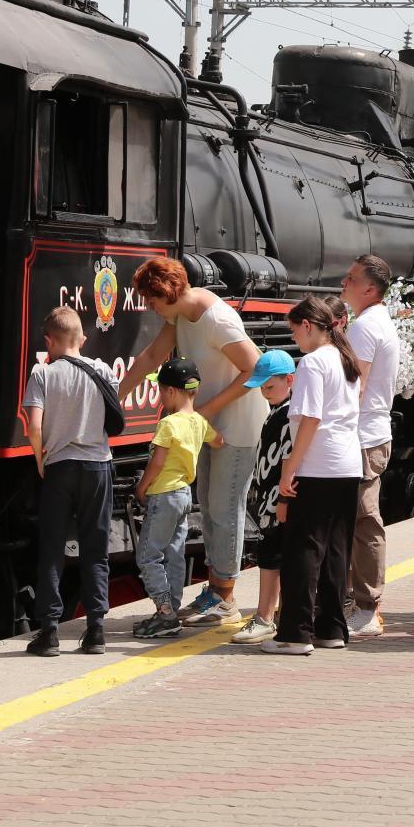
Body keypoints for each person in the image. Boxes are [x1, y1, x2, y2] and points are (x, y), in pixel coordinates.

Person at [123, 258, 265, 627]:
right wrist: (114, 397)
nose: (150, 308)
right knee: (210, 505)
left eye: (152, 300)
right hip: (207, 423)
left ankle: (226, 596)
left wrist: (203, 411)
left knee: (224, 508)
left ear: (167, 293)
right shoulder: (181, 316)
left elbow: (255, 367)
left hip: (236, 425)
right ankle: (217, 589)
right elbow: (152, 356)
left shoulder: (216, 319)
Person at [264, 296, 364, 655]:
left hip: (318, 464)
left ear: (307, 325)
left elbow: (310, 419)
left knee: (303, 548)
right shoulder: (345, 359)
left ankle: (294, 633)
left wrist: (290, 466)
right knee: (336, 549)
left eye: (294, 331)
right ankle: (332, 628)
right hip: (348, 464)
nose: (295, 339)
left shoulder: (312, 363)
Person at [22, 307, 116, 658]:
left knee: (52, 549)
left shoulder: (42, 375)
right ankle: (96, 631)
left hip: (59, 466)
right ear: (83, 338)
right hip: (98, 468)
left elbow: (32, 426)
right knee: (96, 548)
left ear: (49, 341)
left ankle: (48, 632)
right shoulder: (104, 371)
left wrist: (39, 458)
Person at [133, 358, 224, 639]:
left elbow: (158, 462)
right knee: (174, 554)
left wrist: (141, 487)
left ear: (171, 391)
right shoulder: (198, 422)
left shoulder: (168, 424)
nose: (160, 396)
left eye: (160, 390)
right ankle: (171, 609)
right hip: (185, 495)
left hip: (163, 496)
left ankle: (165, 613)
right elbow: (218, 441)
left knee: (148, 557)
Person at [339, 254, 401, 639]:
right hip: (370, 433)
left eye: (351, 278)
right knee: (357, 521)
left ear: (370, 288)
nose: (343, 283)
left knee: (363, 521)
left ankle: (367, 606)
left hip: (361, 436)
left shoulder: (363, 327)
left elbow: (354, 386)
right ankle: (359, 600)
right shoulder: (376, 322)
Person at [231, 349, 299, 645]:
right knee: (274, 556)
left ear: (289, 380)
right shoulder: (278, 412)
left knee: (273, 557)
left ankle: (265, 617)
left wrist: (283, 499)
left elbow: (289, 459)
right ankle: (276, 613)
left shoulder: (289, 416)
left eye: (269, 387)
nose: (264, 393)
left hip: (279, 500)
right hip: (269, 499)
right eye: (261, 388)